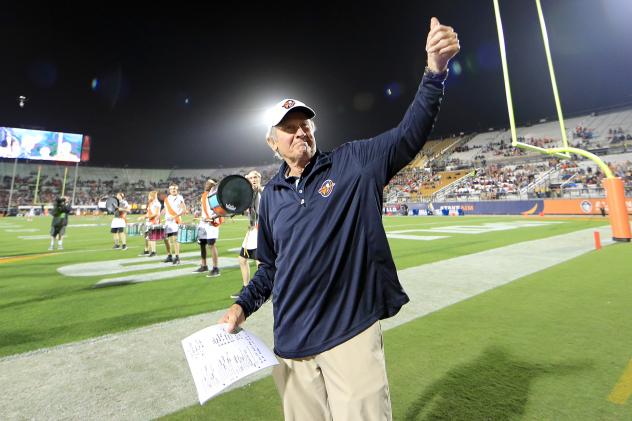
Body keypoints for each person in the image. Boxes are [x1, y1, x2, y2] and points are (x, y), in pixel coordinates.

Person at [218, 17, 459, 420]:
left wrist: (434, 73)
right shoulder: (272, 197)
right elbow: (271, 269)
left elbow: (408, 136)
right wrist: (242, 306)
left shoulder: (353, 163)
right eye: (289, 128)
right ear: (271, 142)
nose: (301, 132)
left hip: (350, 334)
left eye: (305, 125)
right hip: (292, 346)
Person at [231, 170, 263, 298]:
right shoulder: (248, 195)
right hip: (251, 230)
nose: (253, 179)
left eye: (255, 177)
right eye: (250, 178)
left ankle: (263, 289)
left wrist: (258, 189)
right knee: (242, 259)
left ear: (259, 178)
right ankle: (246, 287)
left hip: (261, 230)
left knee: (259, 262)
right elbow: (249, 212)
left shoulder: (264, 190)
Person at [193, 179, 222, 277]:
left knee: (211, 245)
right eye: (206, 183)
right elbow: (204, 208)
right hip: (203, 223)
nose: (206, 184)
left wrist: (211, 219)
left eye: (209, 183)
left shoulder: (215, 195)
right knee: (202, 244)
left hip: (211, 223)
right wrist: (199, 214)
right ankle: (204, 265)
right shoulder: (204, 195)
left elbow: (220, 210)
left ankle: (215, 268)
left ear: (214, 185)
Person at [163, 183, 187, 264]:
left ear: (177, 190)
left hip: (175, 221)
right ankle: (169, 255)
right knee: (166, 239)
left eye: (175, 188)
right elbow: (165, 210)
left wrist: (175, 216)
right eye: (172, 188)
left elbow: (184, 210)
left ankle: (177, 257)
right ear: (169, 190)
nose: (173, 190)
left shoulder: (179, 198)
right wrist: (158, 216)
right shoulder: (167, 199)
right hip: (167, 222)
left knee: (175, 239)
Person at [141, 190, 161, 257]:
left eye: (149, 195)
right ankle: (146, 250)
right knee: (147, 237)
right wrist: (145, 216)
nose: (148, 197)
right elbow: (149, 212)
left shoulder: (157, 203)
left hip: (153, 221)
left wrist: (144, 216)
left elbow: (156, 213)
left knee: (152, 237)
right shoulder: (150, 203)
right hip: (148, 221)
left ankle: (153, 251)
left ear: (152, 196)